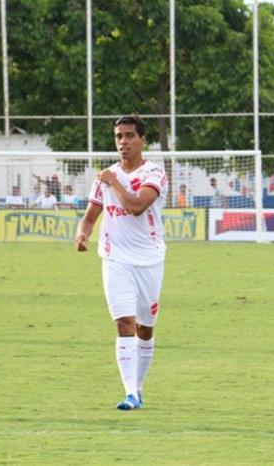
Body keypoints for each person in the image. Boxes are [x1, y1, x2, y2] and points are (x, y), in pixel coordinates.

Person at [75, 114, 168, 410]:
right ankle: (130, 393)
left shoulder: (154, 173)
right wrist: (83, 234)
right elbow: (91, 216)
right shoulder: (105, 178)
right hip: (115, 259)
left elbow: (137, 206)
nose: (123, 142)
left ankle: (139, 388)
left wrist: (114, 181)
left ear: (142, 140)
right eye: (118, 137)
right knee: (124, 323)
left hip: (149, 260)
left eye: (129, 136)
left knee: (145, 328)